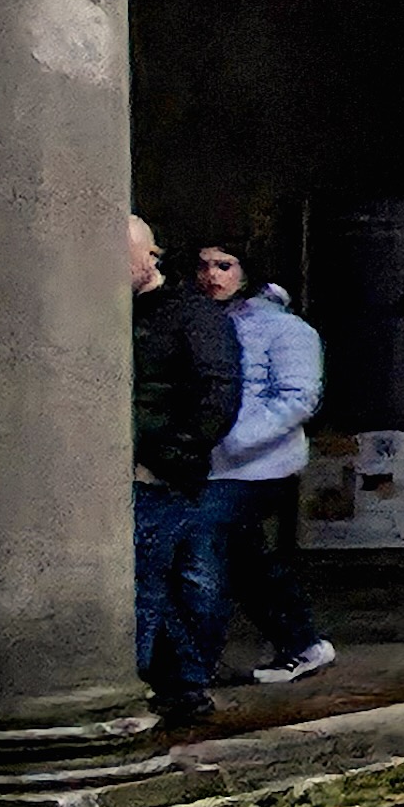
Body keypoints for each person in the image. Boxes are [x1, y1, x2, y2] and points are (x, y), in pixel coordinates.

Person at [198, 237, 335, 687]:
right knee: (247, 563)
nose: (212, 276)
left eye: (224, 265)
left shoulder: (285, 329)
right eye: (204, 266)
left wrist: (237, 439)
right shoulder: (203, 320)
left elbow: (298, 397)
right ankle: (300, 643)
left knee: (216, 555)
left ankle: (196, 666)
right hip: (213, 463)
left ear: (246, 271)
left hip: (259, 465)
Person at [127, 218, 241, 738]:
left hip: (159, 471)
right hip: (139, 465)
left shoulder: (191, 316)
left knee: (143, 582)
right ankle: (184, 685)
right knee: (154, 582)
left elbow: (218, 394)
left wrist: (169, 454)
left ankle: (130, 688)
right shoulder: (123, 310)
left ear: (150, 256)